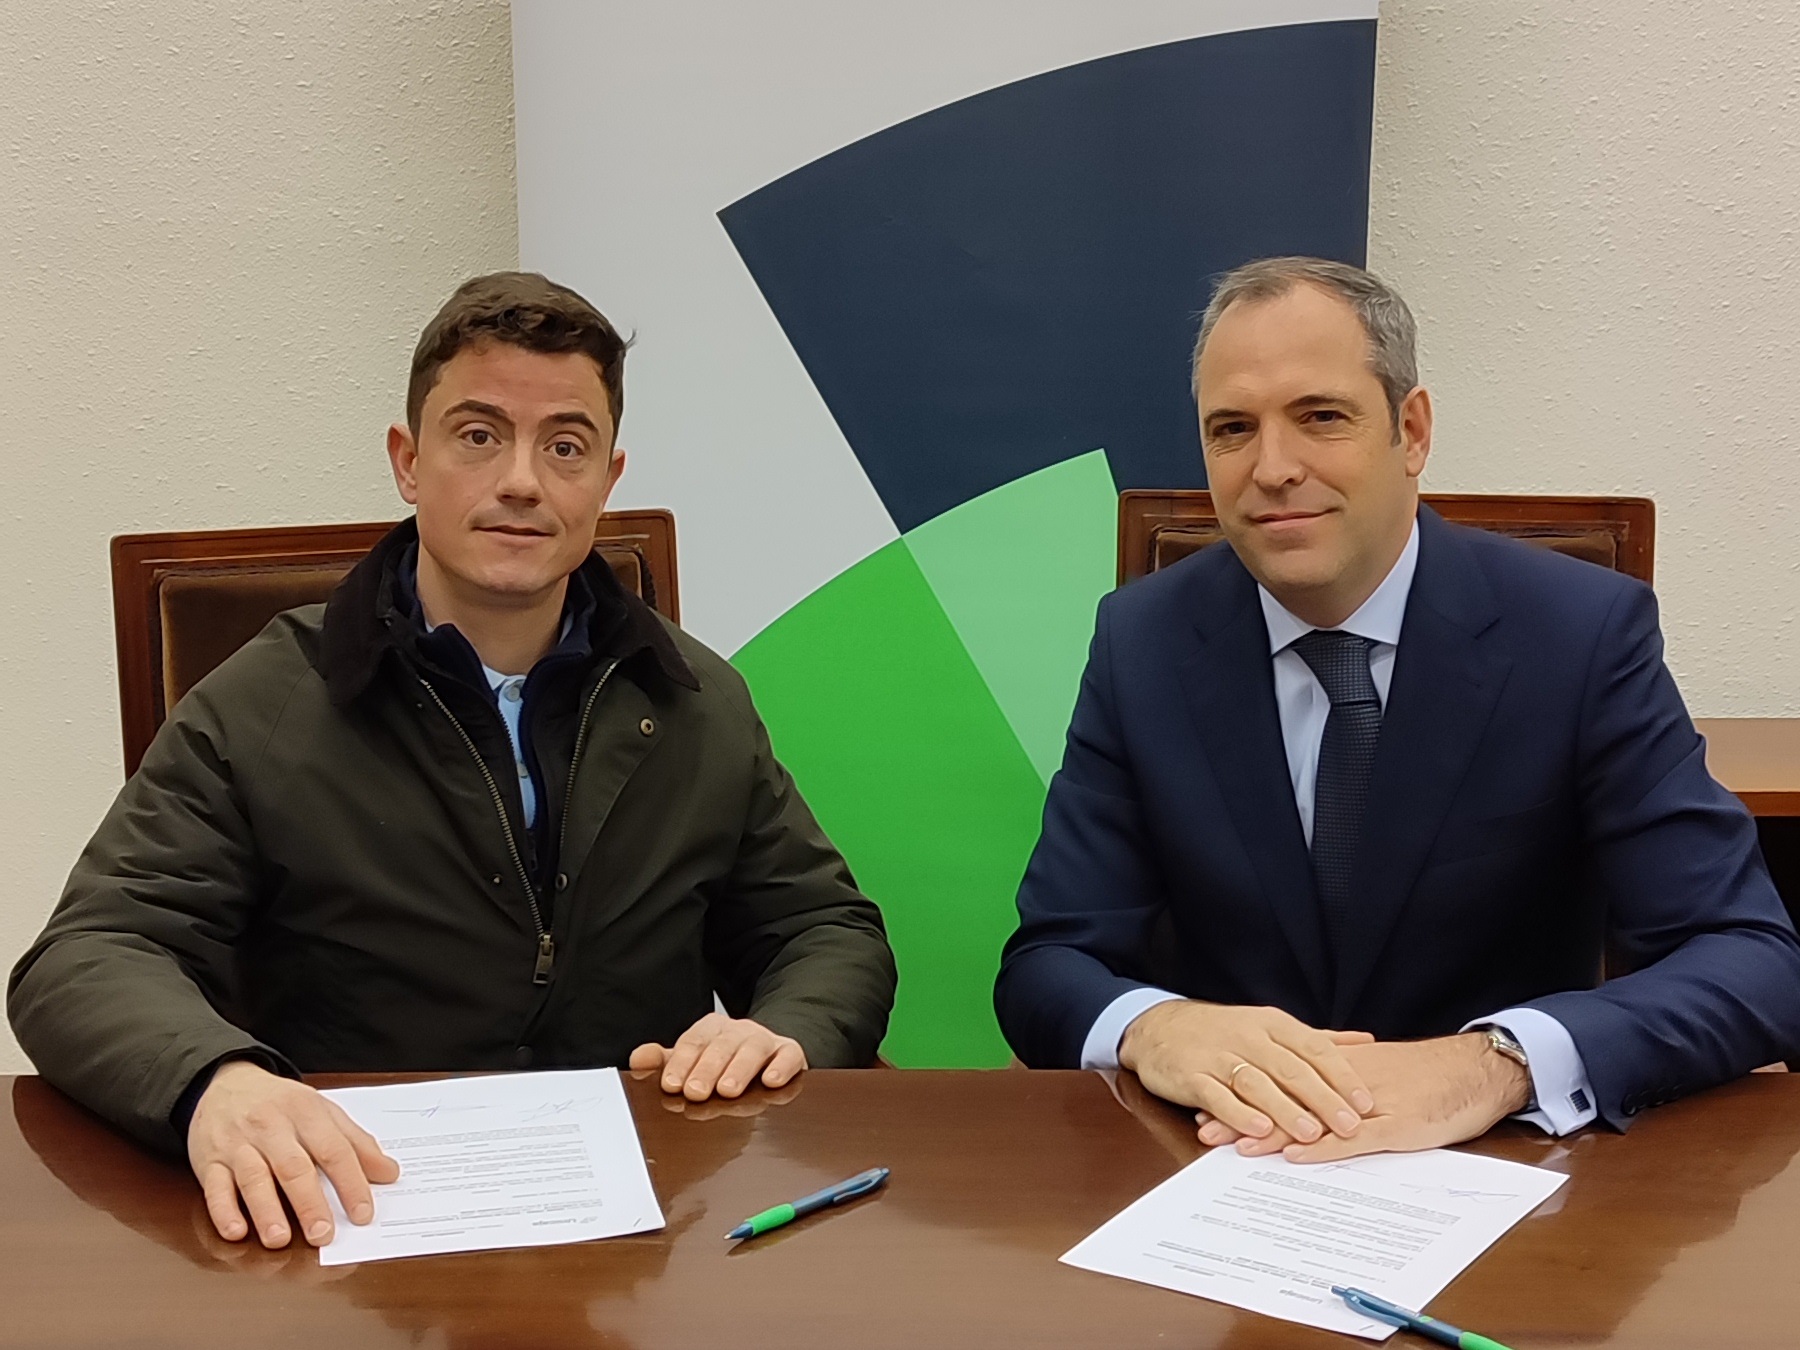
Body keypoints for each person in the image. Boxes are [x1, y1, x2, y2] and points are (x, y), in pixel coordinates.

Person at [9, 271, 896, 1250]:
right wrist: (213, 1082)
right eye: (478, 435)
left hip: (643, 1230)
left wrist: (780, 1031)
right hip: (349, 1220)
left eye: (565, 445)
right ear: (408, 460)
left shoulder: (694, 700)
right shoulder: (263, 703)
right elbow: (88, 956)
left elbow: (823, 929)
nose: (522, 480)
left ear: (608, 480)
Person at [995, 256, 1800, 1163]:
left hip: (1507, 1169)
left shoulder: (1578, 634)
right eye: (1232, 429)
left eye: (1321, 417)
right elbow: (1047, 964)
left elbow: (1752, 959)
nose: (1273, 468)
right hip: (1230, 1166)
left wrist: (1495, 1065)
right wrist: (1157, 1028)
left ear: (1410, 432)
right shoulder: (1142, 641)